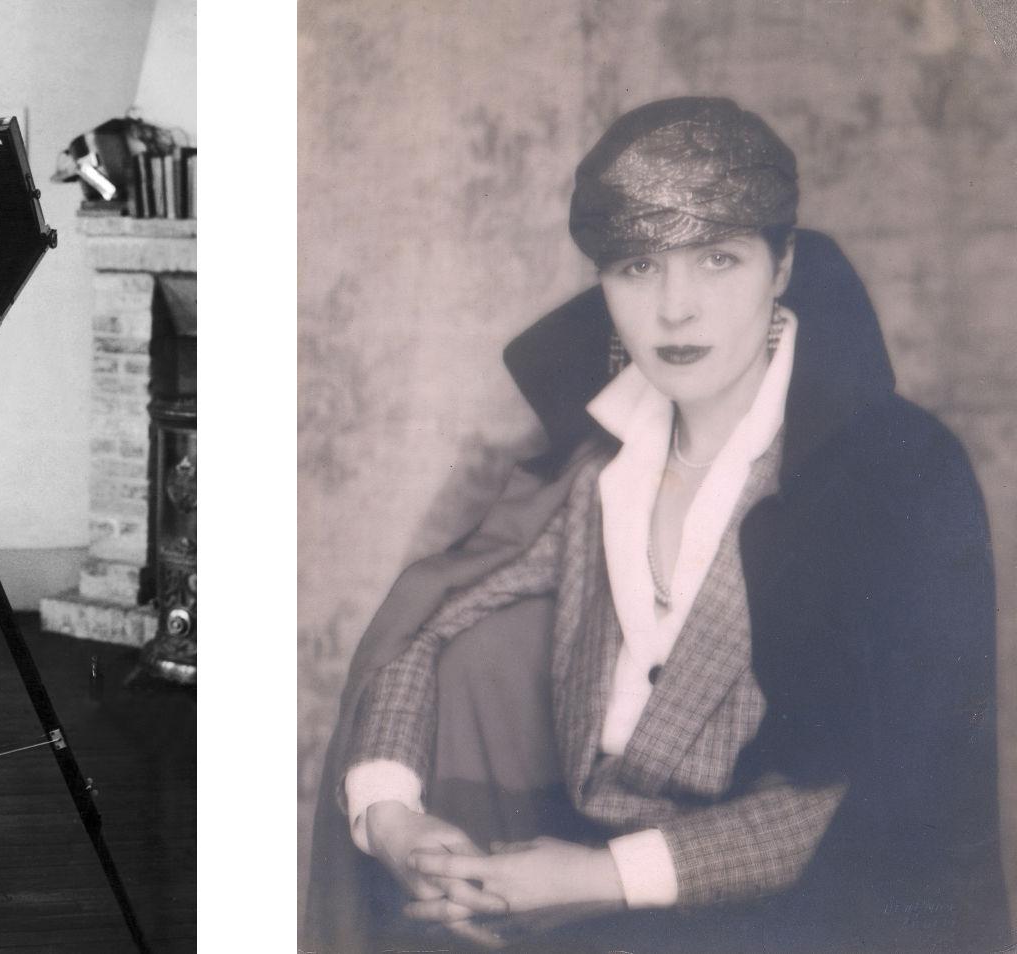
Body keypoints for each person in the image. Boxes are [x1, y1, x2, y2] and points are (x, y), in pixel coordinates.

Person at [305, 97, 1009, 953]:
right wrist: (394, 820)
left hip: (802, 918)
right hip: (578, 884)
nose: (677, 310)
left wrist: (602, 878)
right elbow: (427, 625)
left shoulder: (894, 477)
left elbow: (879, 787)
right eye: (639, 267)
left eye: (718, 260)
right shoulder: (596, 458)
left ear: (781, 266)